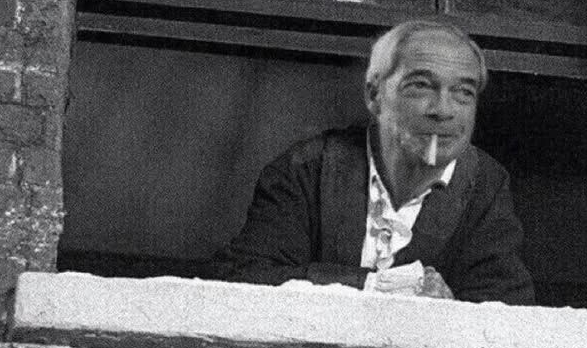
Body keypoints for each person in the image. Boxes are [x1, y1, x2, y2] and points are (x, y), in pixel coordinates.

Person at [212, 20, 534, 306]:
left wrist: (448, 309)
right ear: (374, 95)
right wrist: (376, 287)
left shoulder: (486, 184)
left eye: (463, 92)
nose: (443, 110)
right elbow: (244, 278)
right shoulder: (307, 169)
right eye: (421, 86)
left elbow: (506, 311)